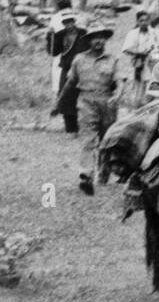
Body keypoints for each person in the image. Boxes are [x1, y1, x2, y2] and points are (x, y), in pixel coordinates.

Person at [52, 24, 123, 195]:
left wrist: (118, 95)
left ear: (105, 40)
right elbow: (69, 83)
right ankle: (86, 175)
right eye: (95, 37)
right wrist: (58, 103)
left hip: (107, 101)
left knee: (107, 141)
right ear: (89, 41)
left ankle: (103, 173)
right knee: (88, 139)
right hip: (85, 101)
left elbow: (120, 81)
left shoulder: (113, 60)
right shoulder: (79, 59)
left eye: (101, 37)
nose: (98, 41)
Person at [47, 12, 85, 134]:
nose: (68, 24)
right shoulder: (59, 35)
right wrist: (49, 37)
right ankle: (71, 128)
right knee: (65, 96)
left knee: (84, 96)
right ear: (63, 24)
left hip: (82, 69)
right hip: (67, 68)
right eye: (66, 22)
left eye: (70, 22)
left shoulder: (83, 34)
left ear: (74, 22)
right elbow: (53, 52)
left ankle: (87, 125)